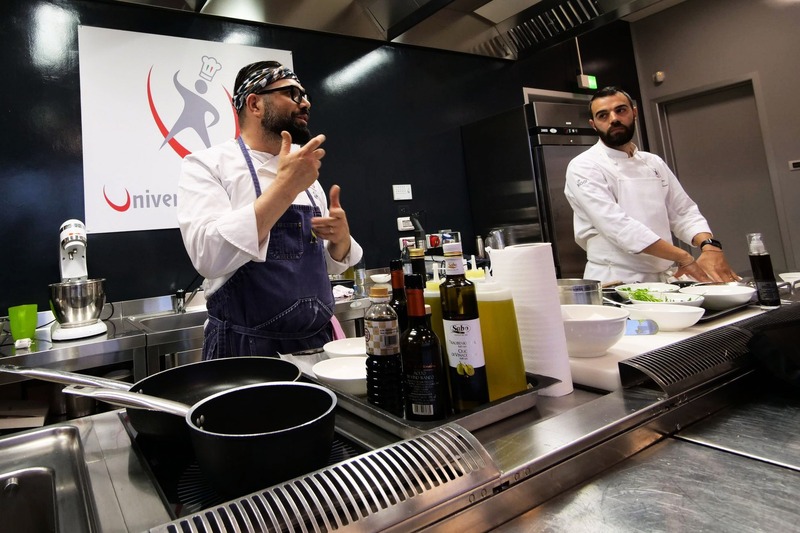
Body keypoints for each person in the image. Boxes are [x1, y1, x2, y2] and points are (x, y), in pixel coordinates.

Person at [177, 60, 363, 359]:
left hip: (316, 346)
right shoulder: (208, 165)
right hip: (246, 351)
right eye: (292, 93)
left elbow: (321, 267)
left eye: (305, 94)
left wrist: (340, 240)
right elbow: (207, 256)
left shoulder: (303, 172)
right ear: (254, 104)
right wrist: (285, 188)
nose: (305, 103)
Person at [564, 86, 739, 284]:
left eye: (620, 110)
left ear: (634, 113)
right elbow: (619, 227)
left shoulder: (653, 162)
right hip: (617, 279)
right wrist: (683, 257)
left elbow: (683, 211)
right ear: (593, 124)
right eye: (603, 115)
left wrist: (709, 246)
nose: (613, 119)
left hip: (664, 278)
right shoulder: (584, 165)